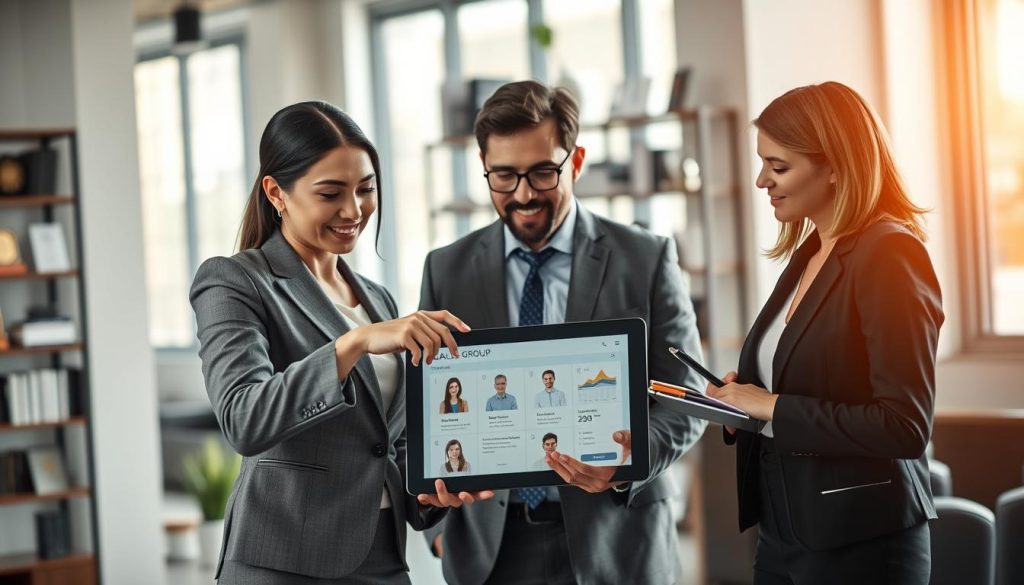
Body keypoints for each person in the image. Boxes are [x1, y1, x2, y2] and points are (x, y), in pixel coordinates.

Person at [190, 101, 490, 585]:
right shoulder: (235, 281)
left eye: (366, 189)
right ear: (277, 193)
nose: (354, 211)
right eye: (331, 193)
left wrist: (434, 486)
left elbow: (390, 441)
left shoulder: (377, 298)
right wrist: (353, 344)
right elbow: (244, 419)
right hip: (284, 559)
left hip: (382, 552)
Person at [419, 80, 707, 585]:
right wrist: (438, 527)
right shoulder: (447, 270)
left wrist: (629, 460)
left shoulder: (645, 258)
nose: (524, 195)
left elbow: (689, 398)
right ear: (484, 169)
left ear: (575, 162)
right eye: (504, 177)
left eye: (543, 172)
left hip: (619, 542)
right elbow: (419, 411)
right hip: (493, 551)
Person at [705, 82, 943, 585]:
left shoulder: (889, 254)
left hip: (862, 543)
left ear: (835, 164)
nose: (760, 181)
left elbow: (903, 425)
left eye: (778, 166)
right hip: (783, 531)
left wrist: (769, 406)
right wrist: (739, 409)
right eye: (762, 163)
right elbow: (799, 388)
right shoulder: (810, 253)